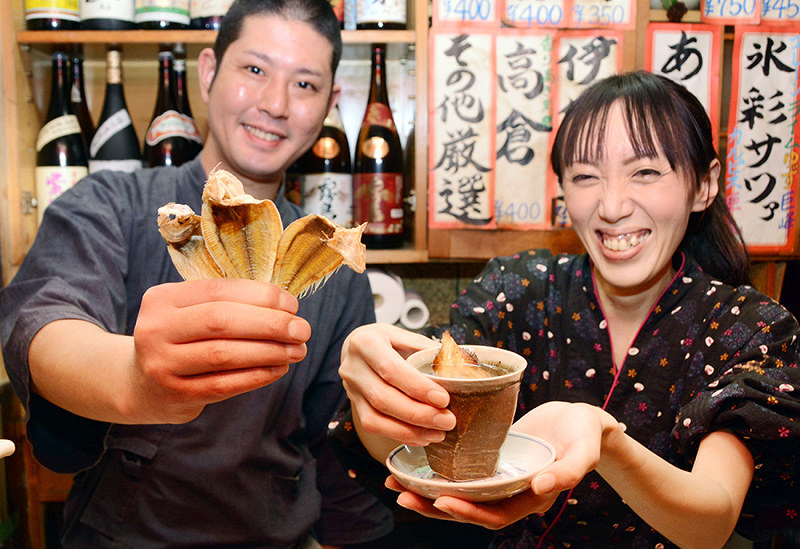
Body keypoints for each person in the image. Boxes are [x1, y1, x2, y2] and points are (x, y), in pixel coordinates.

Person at [334, 72, 800, 548]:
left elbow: (711, 522)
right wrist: (373, 388)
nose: (612, 205)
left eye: (645, 172)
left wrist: (606, 443)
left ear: (704, 186)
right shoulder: (518, 290)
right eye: (584, 176)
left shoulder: (748, 325)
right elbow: (404, 432)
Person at [0, 0, 393, 546]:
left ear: (329, 103)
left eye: (305, 85)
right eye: (254, 70)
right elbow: (44, 324)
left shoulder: (327, 258)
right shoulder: (113, 204)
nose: (275, 104)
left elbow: (334, 449)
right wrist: (135, 378)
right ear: (208, 73)